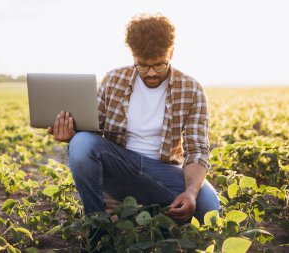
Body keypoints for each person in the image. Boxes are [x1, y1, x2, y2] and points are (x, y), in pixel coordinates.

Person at [47, 13, 220, 224]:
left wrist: (191, 192)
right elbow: (92, 138)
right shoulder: (113, 80)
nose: (151, 73)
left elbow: (197, 151)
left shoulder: (191, 89)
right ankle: (98, 224)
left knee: (209, 206)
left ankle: (144, 212)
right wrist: (72, 137)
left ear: (171, 53)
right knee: (81, 143)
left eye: (159, 64)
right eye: (143, 65)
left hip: (161, 172)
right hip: (120, 167)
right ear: (133, 55)